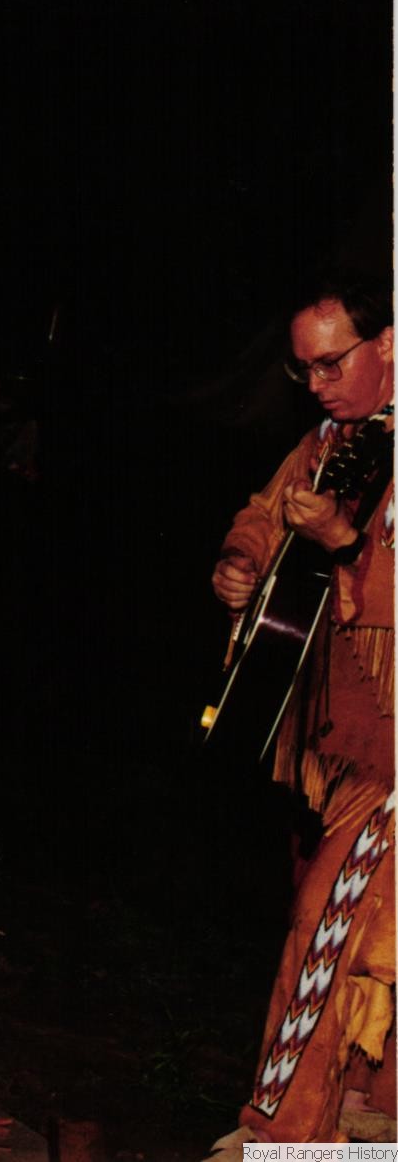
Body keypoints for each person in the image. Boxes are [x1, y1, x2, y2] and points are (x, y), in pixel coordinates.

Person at [208, 275, 395, 1148]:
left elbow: (356, 559)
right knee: (365, 942)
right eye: (303, 370)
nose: (316, 385)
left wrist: (347, 545)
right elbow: (263, 510)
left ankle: (280, 1139)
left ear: (387, 344)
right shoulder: (331, 442)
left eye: (331, 363)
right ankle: (366, 1125)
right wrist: (240, 561)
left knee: (323, 930)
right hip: (342, 746)